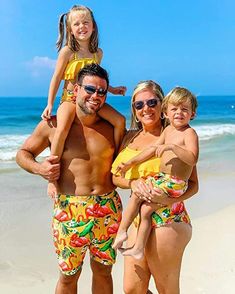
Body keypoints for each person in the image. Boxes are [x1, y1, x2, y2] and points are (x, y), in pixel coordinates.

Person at [16, 64, 123, 294]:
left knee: (104, 272)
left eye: (102, 91)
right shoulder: (53, 125)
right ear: (76, 89)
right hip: (70, 210)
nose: (96, 96)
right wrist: (40, 168)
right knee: (68, 276)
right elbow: (22, 154)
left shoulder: (110, 126)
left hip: (108, 206)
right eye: (90, 89)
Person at [111, 81, 199, 294]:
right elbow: (115, 177)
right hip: (138, 217)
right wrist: (132, 182)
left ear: (163, 106)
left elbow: (193, 185)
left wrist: (170, 200)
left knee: (166, 288)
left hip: (168, 217)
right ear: (134, 109)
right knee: (132, 290)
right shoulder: (128, 137)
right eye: (139, 105)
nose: (146, 108)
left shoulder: (176, 133)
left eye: (152, 102)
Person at [41, 5, 126, 198]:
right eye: (76, 24)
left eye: (86, 22)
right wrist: (50, 104)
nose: (82, 27)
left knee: (120, 121)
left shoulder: (98, 53)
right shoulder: (68, 51)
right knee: (61, 131)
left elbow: (96, 79)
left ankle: (117, 161)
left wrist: (112, 89)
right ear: (70, 29)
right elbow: (56, 77)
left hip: (92, 101)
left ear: (93, 26)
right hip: (70, 99)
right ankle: (52, 180)